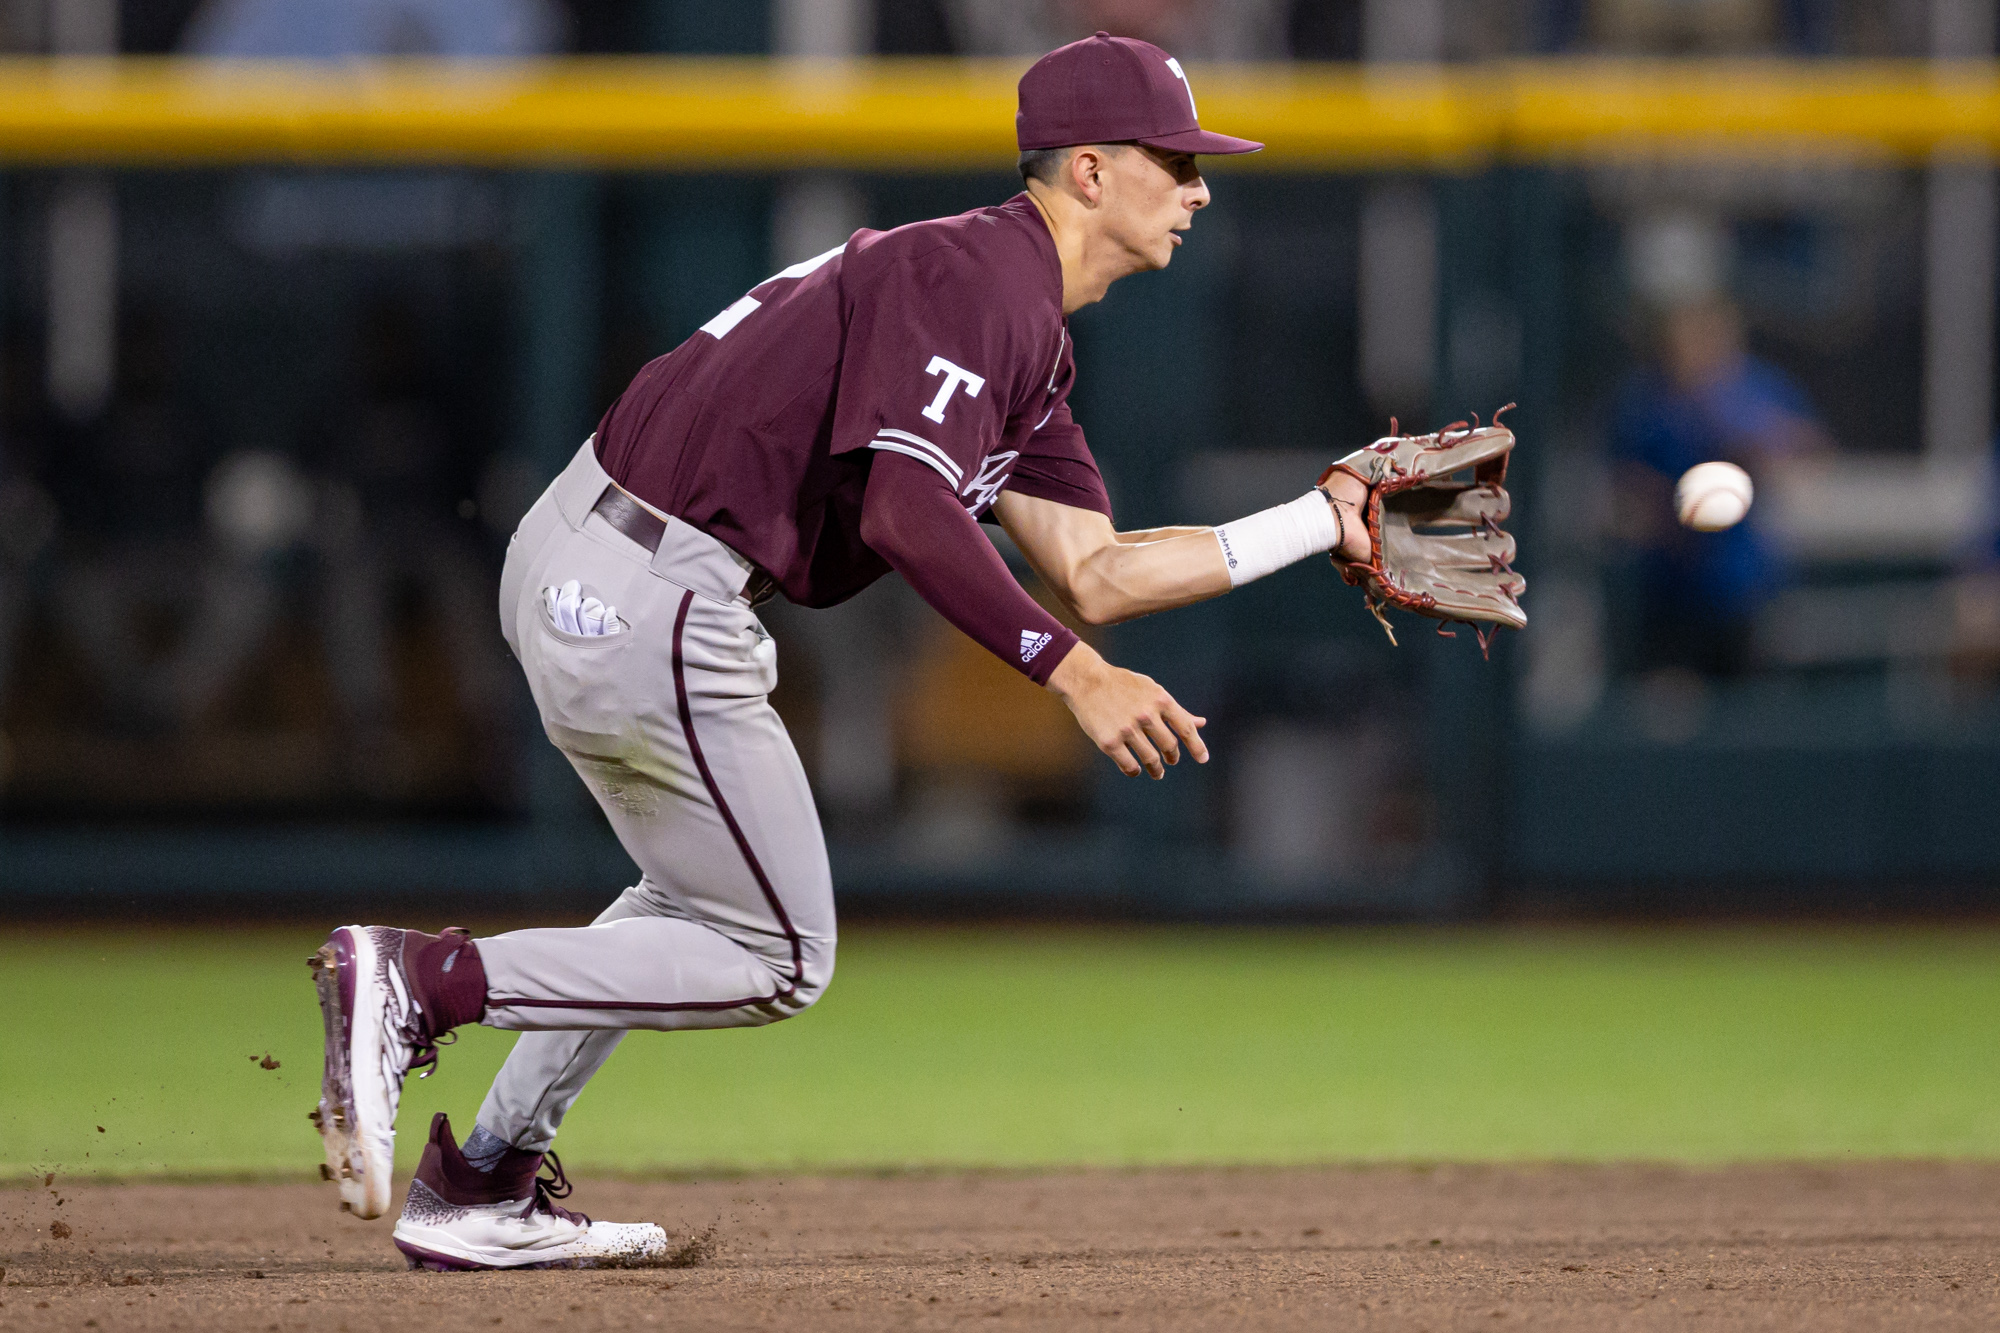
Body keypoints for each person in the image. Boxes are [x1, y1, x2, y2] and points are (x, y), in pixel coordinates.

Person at [310, 32, 1381, 1270]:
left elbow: (1097, 570)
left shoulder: (1019, 338)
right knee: (778, 954)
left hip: (614, 557)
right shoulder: (980, 282)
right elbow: (903, 510)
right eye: (1175, 162)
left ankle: (482, 1181)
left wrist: (1321, 519)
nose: (1198, 189)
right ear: (1088, 170)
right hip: (649, 576)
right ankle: (418, 984)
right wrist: (1070, 676)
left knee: (694, 904)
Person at [1611, 296, 1828, 676]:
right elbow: (1626, 493)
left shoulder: (1755, 390)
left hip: (1746, 592)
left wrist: (1755, 450)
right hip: (1668, 595)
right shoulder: (1646, 403)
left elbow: (1808, 450)